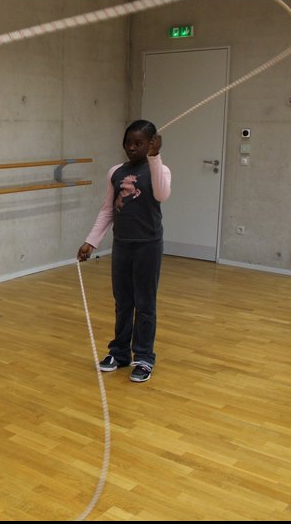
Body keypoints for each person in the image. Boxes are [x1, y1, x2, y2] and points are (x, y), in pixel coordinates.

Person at [77, 119, 171, 383]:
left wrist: (155, 157)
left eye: (138, 143)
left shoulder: (159, 169)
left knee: (145, 304)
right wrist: (91, 241)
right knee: (123, 301)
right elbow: (108, 209)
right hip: (122, 245)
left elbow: (162, 194)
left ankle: (143, 357)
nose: (131, 148)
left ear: (151, 144)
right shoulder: (116, 172)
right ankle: (119, 353)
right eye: (128, 143)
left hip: (148, 246)